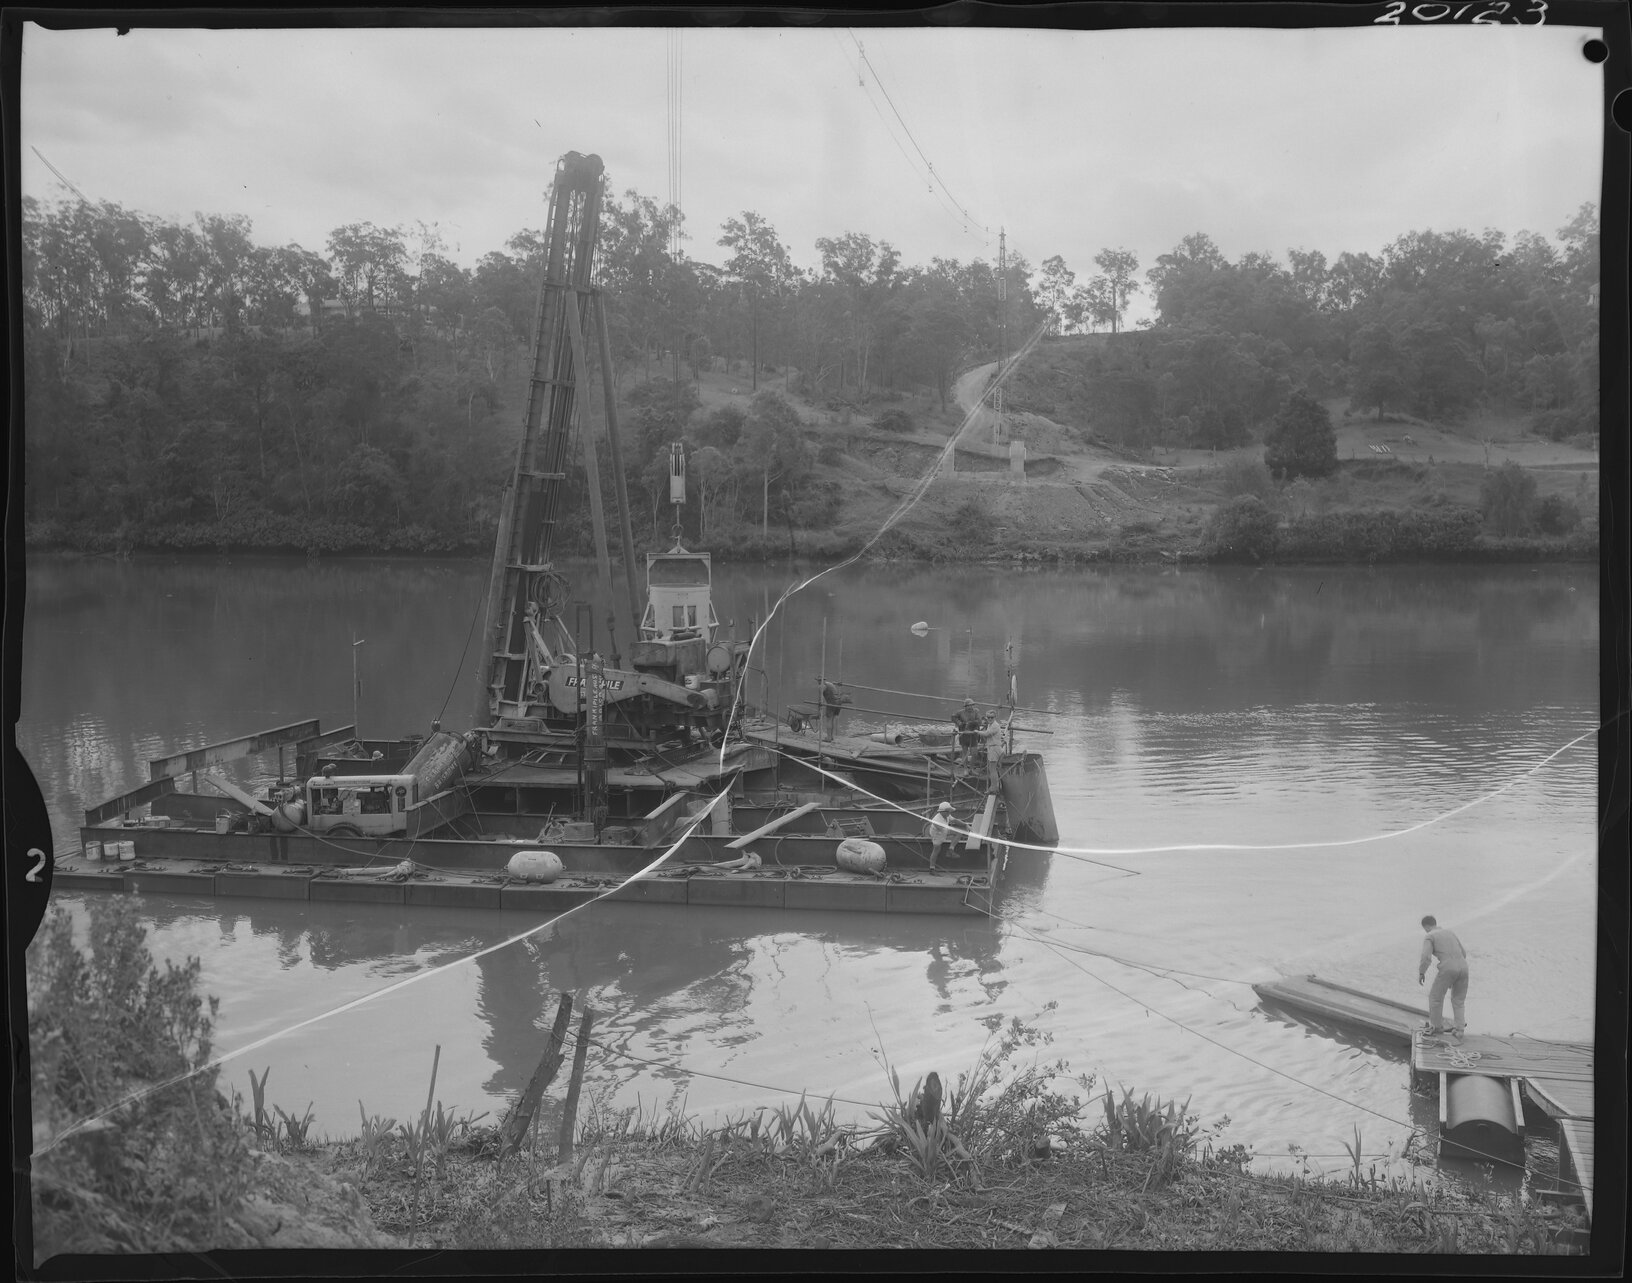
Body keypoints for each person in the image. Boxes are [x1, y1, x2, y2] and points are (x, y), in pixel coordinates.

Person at [1418, 915, 1469, 1041]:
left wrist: (1421, 972)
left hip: (1448, 968)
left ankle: (1437, 1027)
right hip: (1463, 967)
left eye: (1425, 929)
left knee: (1435, 998)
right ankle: (1459, 1030)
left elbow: (1426, 957)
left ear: (1426, 926)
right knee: (1458, 1000)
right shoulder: (1450, 932)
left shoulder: (1430, 936)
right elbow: (1464, 953)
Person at [952, 698, 983, 762]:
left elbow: (979, 721)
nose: (971, 707)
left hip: (973, 735)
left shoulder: (976, 712)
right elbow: (953, 717)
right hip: (964, 735)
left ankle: (971, 769)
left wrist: (971, 723)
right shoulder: (960, 712)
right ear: (965, 706)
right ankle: (965, 768)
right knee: (964, 752)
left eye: (972, 705)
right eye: (969, 705)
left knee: (974, 753)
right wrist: (959, 723)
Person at [926, 801, 955, 870]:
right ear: (943, 812)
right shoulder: (936, 820)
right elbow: (944, 831)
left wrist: (965, 825)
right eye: (948, 811)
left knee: (957, 834)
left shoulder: (947, 815)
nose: (949, 813)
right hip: (936, 835)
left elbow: (955, 820)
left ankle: (951, 850)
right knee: (936, 850)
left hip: (942, 832)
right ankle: (932, 869)